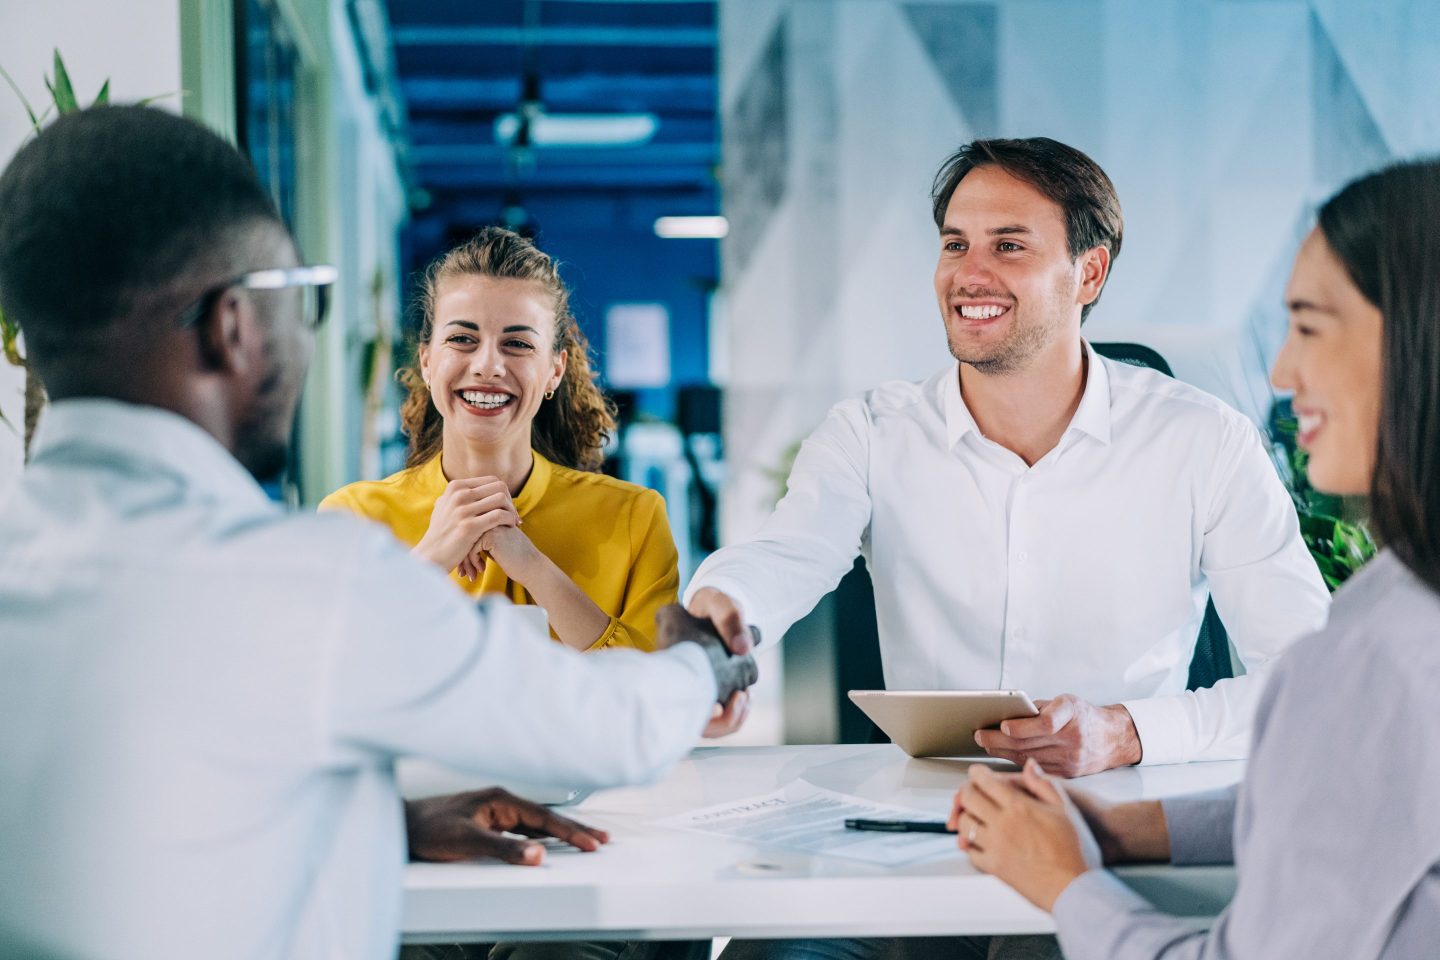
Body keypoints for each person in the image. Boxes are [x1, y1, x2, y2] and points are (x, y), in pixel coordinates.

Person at [0, 105, 753, 960]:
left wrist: (390, 822)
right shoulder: (317, 576)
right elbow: (613, 726)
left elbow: (144, 819)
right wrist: (702, 661)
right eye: (301, 301)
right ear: (233, 325)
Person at [687, 138, 1330, 776]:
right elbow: (788, 554)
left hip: (1126, 811)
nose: (969, 272)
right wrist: (722, 609)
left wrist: (1128, 733)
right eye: (955, 243)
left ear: (1090, 273)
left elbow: (1309, 678)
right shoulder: (869, 432)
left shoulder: (1206, 441)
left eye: (1009, 245)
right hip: (929, 813)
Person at [948, 157, 1440, 958]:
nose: (1283, 372)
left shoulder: (1382, 651)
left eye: (1311, 326)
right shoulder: (1402, 595)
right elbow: (1346, 802)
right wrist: (1126, 826)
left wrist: (1068, 885)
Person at [321, 227, 677, 654]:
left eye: (517, 343)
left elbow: (653, 696)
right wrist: (431, 556)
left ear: (555, 370)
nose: (488, 365)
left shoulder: (635, 520)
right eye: (462, 339)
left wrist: (533, 567)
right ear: (427, 360)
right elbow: (325, 679)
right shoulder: (354, 518)